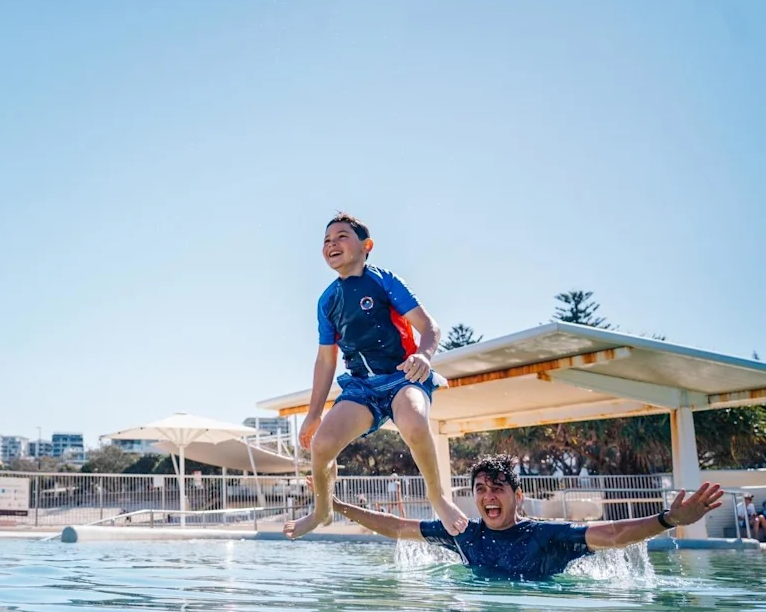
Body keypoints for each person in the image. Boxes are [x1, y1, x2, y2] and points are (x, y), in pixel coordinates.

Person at [285, 213, 467, 539]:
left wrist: (423, 356)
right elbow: (326, 360)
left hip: (402, 376)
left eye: (341, 236)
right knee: (322, 444)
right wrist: (313, 414)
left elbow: (430, 327)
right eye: (326, 240)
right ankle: (322, 511)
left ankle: (438, 497)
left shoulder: (383, 280)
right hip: (361, 389)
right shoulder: (327, 301)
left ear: (366, 246)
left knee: (413, 421)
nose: (331, 244)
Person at [333, 453, 724, 580]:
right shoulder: (462, 534)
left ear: (517, 496)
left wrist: (669, 520)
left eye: (497, 488)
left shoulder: (546, 535)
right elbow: (398, 528)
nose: (488, 496)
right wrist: (334, 505)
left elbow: (614, 533)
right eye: (481, 489)